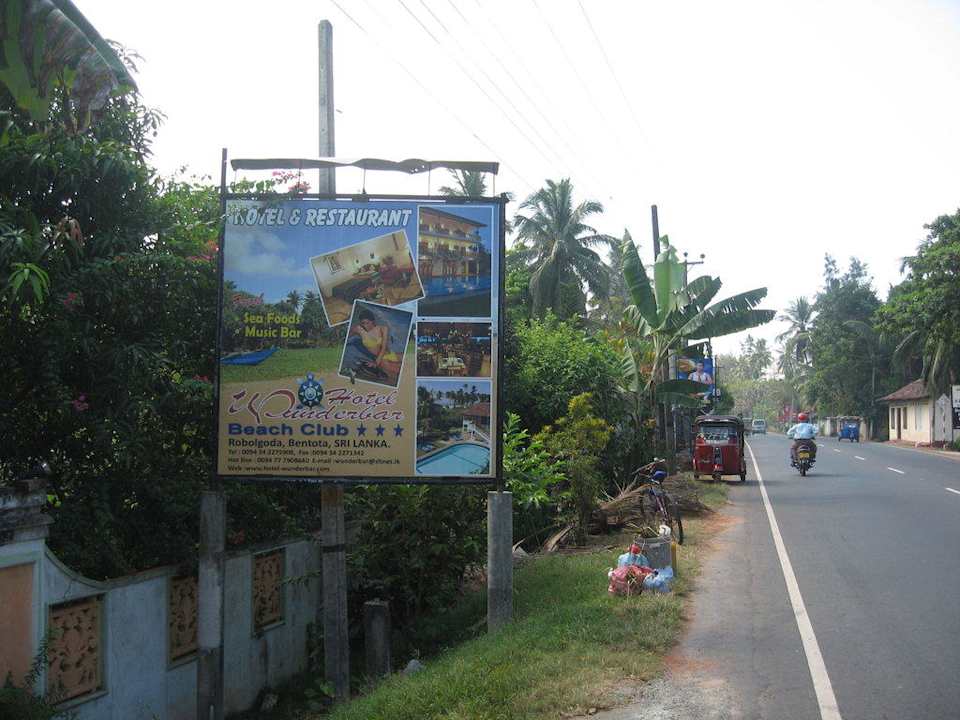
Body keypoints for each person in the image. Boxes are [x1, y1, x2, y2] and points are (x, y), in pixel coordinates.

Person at [348, 307, 403, 383]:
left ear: (373, 321)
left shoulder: (383, 329)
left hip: (389, 354)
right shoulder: (359, 329)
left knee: (408, 362)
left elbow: (383, 347)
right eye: (363, 323)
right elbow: (346, 336)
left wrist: (375, 363)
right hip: (381, 360)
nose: (365, 325)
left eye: (367, 323)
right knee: (397, 373)